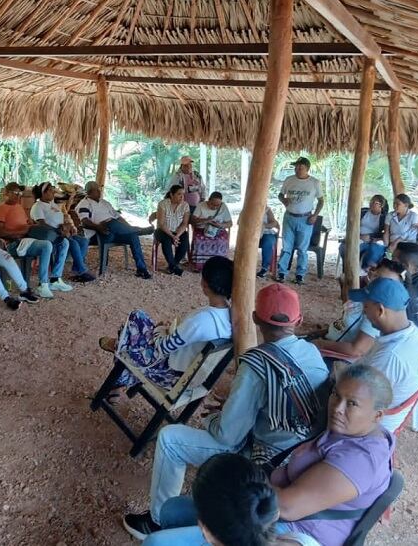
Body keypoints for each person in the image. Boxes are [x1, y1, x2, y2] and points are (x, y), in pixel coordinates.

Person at [122, 284, 329, 539]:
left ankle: (156, 522)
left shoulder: (256, 363)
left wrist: (211, 418)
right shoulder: (312, 353)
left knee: (170, 439)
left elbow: (228, 435)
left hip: (267, 463)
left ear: (255, 318)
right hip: (302, 458)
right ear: (299, 320)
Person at [143, 364, 395, 546]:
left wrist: (234, 487)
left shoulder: (360, 460)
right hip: (269, 509)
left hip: (291, 531)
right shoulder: (349, 430)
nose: (337, 408)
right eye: (336, 395)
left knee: (156, 543)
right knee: (172, 510)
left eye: (352, 403)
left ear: (378, 415)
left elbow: (287, 507)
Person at [97, 256, 233, 397]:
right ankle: (119, 359)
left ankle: (118, 347)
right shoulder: (230, 316)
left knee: (135, 318)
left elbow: (163, 347)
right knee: (138, 323)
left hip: (171, 375)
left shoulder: (202, 320)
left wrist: (160, 330)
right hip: (191, 375)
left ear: (205, 284)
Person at [147, 453, 312, 546]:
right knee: (173, 508)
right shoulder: (300, 541)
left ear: (207, 533)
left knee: (154, 542)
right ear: (272, 513)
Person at [349, 277, 418, 432]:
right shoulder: (416, 334)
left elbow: (353, 399)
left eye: (366, 307)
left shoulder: (390, 357)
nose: (364, 312)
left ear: (380, 310)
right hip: (381, 407)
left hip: (368, 427)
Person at [0, 181, 66, 299]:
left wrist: (31, 225)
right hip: (13, 244)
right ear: (6, 193)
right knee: (46, 245)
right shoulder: (1, 209)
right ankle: (43, 284)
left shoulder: (19, 207)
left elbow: (26, 224)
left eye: (20, 193)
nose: (18, 195)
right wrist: (19, 233)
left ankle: (55, 279)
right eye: (15, 193)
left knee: (62, 241)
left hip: (25, 240)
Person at [76, 181, 152, 279]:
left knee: (133, 236)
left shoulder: (105, 203)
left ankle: (141, 269)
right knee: (111, 223)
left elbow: (118, 217)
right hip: (100, 233)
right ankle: (138, 230)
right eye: (97, 190)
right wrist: (98, 227)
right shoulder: (84, 204)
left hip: (115, 230)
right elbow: (85, 221)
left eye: (99, 189)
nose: (99, 191)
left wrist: (128, 228)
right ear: (89, 192)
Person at [29, 182, 95, 283]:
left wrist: (68, 227)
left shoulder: (53, 204)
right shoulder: (38, 206)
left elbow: (61, 218)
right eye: (50, 190)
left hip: (62, 232)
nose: (53, 192)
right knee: (73, 243)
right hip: (50, 235)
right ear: (43, 193)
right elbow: (41, 225)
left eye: (53, 189)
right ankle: (82, 271)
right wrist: (59, 231)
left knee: (84, 241)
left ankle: (76, 270)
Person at [276, 157, 324, 285]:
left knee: (302, 249)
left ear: (307, 169)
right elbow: (280, 194)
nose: (297, 169)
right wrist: (283, 200)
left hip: (305, 219)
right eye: (296, 167)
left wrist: (315, 215)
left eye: (300, 167)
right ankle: (282, 272)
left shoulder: (314, 182)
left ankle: (300, 275)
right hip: (289, 217)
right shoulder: (289, 180)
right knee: (286, 247)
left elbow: (321, 200)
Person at [338, 194, 388, 272]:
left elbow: (384, 233)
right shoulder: (363, 211)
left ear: (381, 205)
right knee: (343, 248)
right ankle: (347, 271)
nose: (371, 203)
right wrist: (355, 235)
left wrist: (370, 237)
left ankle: (362, 272)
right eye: (371, 201)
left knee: (366, 251)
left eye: (375, 202)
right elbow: (352, 223)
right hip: (356, 236)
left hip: (369, 241)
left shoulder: (383, 217)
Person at [156, 185, 192, 276]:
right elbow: (161, 223)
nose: (182, 197)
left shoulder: (185, 205)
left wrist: (177, 235)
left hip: (178, 232)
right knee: (166, 240)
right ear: (172, 195)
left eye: (183, 194)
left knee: (184, 241)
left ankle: (173, 265)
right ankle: (173, 266)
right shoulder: (163, 204)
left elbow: (184, 224)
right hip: (163, 230)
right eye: (179, 194)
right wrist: (172, 236)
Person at [191, 191, 232, 270]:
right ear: (208, 200)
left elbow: (230, 223)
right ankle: (200, 265)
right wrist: (206, 220)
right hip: (201, 229)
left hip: (218, 230)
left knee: (222, 240)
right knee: (200, 240)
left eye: (217, 205)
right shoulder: (201, 205)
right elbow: (193, 220)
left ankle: (219, 265)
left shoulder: (223, 206)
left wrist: (220, 225)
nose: (215, 207)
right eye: (212, 204)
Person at [257, 206, 281, 278]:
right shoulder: (248, 208)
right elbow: (239, 222)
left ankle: (264, 268)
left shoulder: (267, 209)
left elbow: (274, 223)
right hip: (253, 234)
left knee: (268, 242)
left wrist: (264, 225)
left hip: (266, 233)